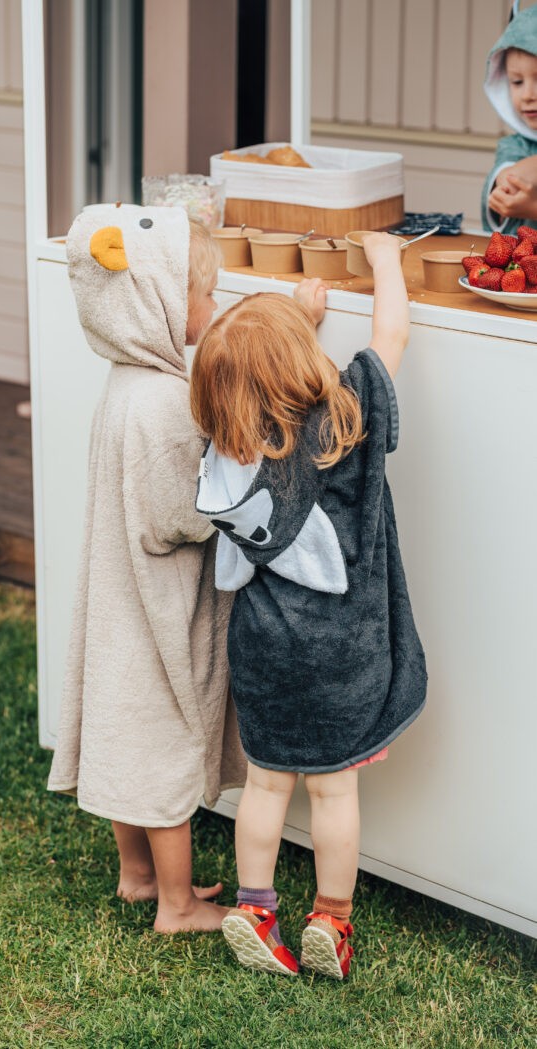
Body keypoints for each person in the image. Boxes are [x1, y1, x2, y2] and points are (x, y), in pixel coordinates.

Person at [190, 234, 427, 978]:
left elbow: (265, 404)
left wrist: (292, 319)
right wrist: (387, 262)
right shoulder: (344, 420)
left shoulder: (228, 453)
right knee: (334, 790)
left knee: (266, 784)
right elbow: (390, 334)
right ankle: (332, 917)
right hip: (341, 653)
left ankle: (256, 906)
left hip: (263, 646)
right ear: (301, 366)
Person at [47, 203, 245, 933]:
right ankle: (178, 901)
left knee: (128, 741)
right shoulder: (164, 401)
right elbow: (179, 517)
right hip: (157, 609)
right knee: (163, 752)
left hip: (118, 602)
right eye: (203, 296)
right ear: (157, 302)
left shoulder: (125, 384)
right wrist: (225, 475)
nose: (211, 308)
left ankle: (136, 875)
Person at [482, 1, 537, 235]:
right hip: (520, 268)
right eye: (516, 82)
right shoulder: (515, 147)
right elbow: (509, 181)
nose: (527, 95)